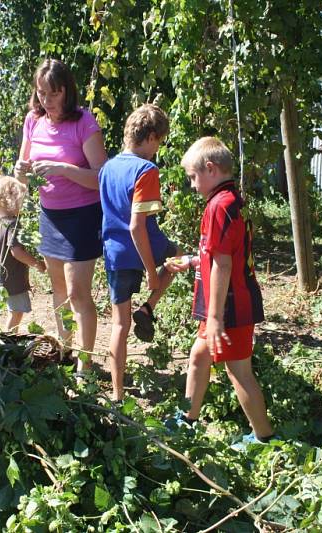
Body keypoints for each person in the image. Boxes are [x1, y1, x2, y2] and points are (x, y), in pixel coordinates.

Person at [165, 137, 274, 448]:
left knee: (238, 371)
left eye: (192, 176)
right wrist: (191, 260)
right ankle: (188, 418)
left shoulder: (219, 206)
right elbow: (222, 254)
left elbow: (224, 266)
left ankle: (264, 437)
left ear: (210, 169)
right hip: (224, 304)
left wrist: (214, 318)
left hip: (229, 307)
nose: (191, 184)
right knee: (199, 356)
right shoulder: (231, 200)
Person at [14, 59, 108, 372]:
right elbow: (23, 176)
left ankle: (85, 365)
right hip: (49, 216)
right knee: (58, 290)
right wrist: (20, 172)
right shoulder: (33, 120)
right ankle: (66, 350)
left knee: (79, 293)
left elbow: (101, 177)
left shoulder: (83, 121)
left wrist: (64, 170)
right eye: (41, 93)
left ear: (66, 91)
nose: (46, 100)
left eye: (53, 94)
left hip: (82, 216)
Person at [99, 104, 182, 401]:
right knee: (179, 256)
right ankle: (149, 307)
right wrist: (150, 271)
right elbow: (138, 227)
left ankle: (118, 395)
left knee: (118, 325)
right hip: (141, 245)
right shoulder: (147, 170)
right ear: (150, 137)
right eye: (158, 142)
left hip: (114, 252)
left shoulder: (107, 168)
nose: (157, 149)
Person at [0, 174, 46, 332]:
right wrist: (37, 264)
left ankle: (8, 339)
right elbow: (16, 252)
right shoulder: (12, 225)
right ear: (12, 200)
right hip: (12, 278)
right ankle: (8, 341)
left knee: (12, 309)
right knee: (16, 312)